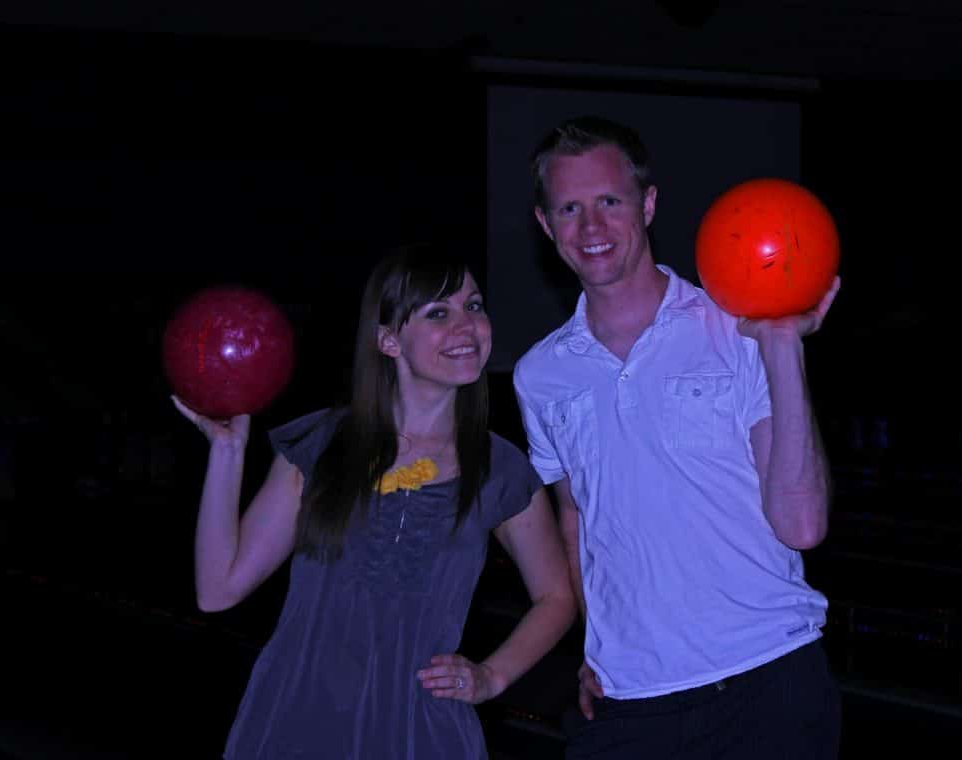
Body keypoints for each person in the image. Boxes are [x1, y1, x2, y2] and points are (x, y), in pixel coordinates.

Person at [512, 116, 842, 759]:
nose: (592, 228)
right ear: (547, 226)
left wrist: (780, 347)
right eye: (570, 209)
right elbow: (577, 525)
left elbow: (801, 526)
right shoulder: (540, 376)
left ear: (649, 204)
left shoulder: (735, 330)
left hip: (767, 678)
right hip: (631, 699)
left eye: (610, 201)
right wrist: (594, 643)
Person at [174, 244, 576, 759]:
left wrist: (490, 676)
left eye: (473, 306)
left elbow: (557, 597)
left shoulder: (497, 468)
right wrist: (226, 453)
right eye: (438, 312)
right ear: (388, 340)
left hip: (418, 728)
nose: (466, 325)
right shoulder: (324, 445)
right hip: (301, 720)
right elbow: (217, 590)